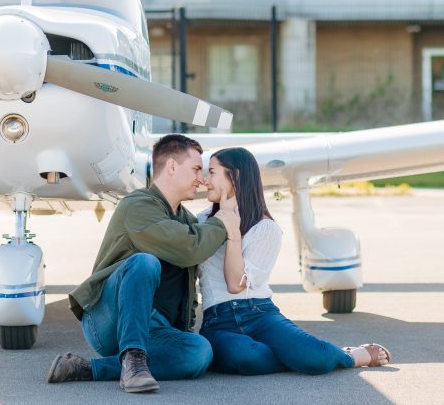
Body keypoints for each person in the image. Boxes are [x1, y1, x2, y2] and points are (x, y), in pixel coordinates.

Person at [47, 134, 234, 393]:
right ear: (171, 167)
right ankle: (133, 359)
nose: (201, 179)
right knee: (144, 263)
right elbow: (192, 249)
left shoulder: (189, 220)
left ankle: (89, 368)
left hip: (156, 330)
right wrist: (222, 220)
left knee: (199, 352)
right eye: (195, 169)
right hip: (107, 322)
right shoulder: (136, 206)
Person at [197, 147, 392, 375]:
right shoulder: (201, 222)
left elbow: (235, 284)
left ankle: (348, 355)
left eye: (211, 172)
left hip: (260, 314)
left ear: (235, 176)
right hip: (218, 322)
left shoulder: (266, 229)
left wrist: (233, 233)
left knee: (316, 359)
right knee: (247, 357)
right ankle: (296, 356)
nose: (205, 180)